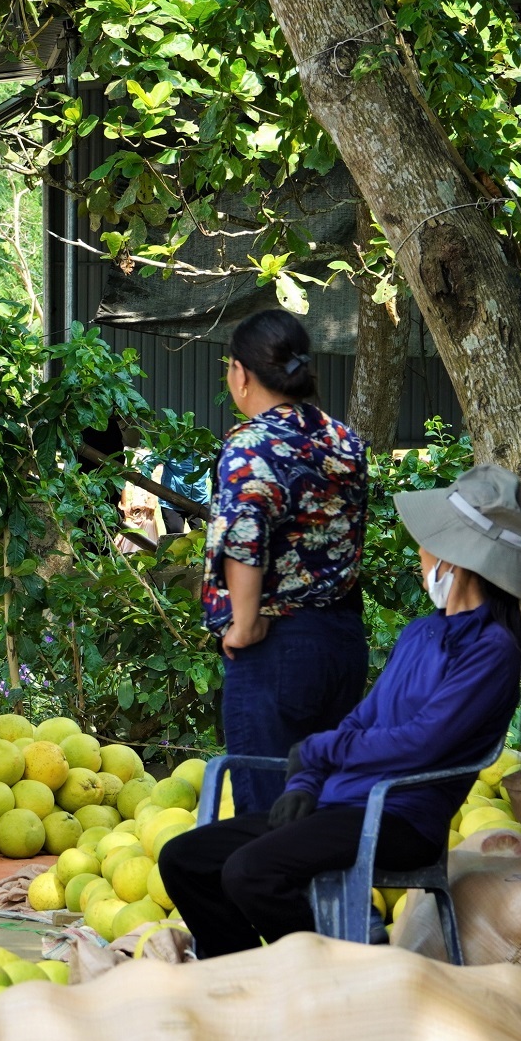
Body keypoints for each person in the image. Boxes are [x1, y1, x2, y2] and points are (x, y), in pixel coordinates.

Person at [159, 464, 521, 958]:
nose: (420, 556)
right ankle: (245, 976)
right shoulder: (421, 632)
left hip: (400, 817)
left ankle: (345, 970)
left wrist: (315, 748)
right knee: (186, 858)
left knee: (251, 872)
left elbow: (424, 742)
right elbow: (363, 721)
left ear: (454, 558)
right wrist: (304, 783)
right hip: (342, 802)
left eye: (427, 545)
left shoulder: (492, 650)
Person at [202, 309, 369, 815]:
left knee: (270, 819)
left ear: (242, 373)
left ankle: (273, 897)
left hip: (277, 648)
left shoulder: (250, 446)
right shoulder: (345, 441)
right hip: (342, 645)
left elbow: (244, 538)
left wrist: (245, 624)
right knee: (321, 808)